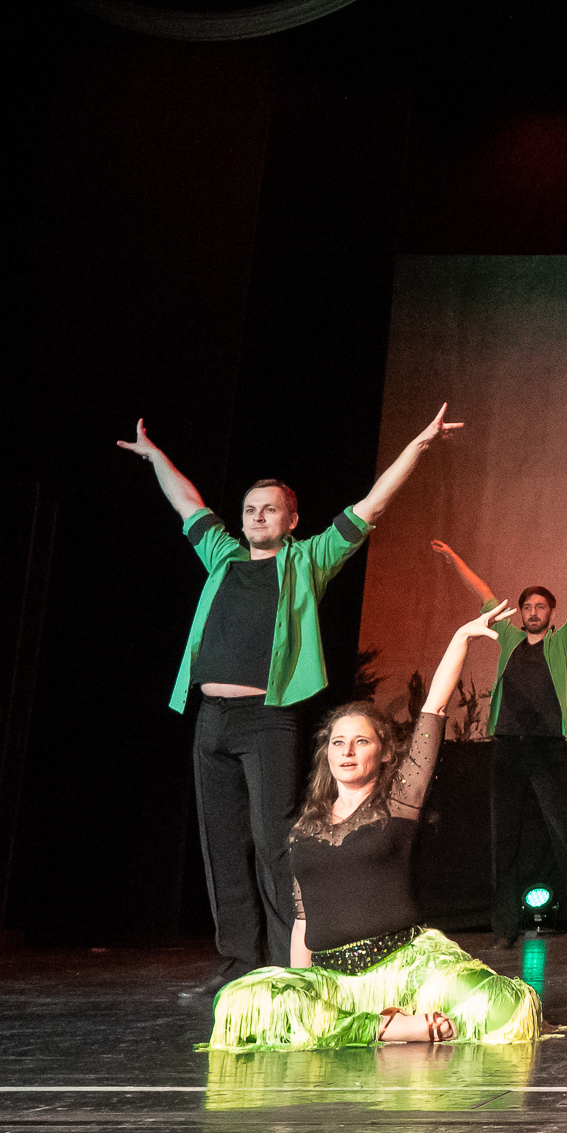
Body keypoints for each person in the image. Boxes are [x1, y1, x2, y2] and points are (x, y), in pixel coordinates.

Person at [119, 407, 461, 997]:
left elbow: (372, 505)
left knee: (276, 842)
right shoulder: (221, 554)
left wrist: (420, 444)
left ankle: (286, 967)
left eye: (270, 509)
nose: (257, 516)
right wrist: (155, 457)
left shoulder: (309, 559)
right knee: (222, 846)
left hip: (267, 720)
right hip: (211, 720)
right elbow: (187, 502)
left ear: (291, 519)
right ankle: (237, 964)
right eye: (250, 509)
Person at [206, 607, 544, 1051]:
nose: (347, 751)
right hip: (333, 979)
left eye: (361, 741)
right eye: (338, 742)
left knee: (509, 1007)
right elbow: (304, 919)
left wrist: (460, 639)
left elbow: (434, 709)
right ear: (327, 754)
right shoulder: (304, 828)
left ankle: (367, 1026)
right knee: (237, 1002)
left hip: (408, 966)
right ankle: (385, 1028)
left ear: (384, 754)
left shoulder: (399, 802)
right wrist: (302, 989)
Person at [429, 520, 567, 953]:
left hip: (548, 749)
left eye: (540, 607)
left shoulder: (564, 642)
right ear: (520, 613)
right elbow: (483, 593)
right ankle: (504, 929)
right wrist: (454, 558)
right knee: (504, 840)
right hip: (508, 748)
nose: (533, 612)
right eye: (527, 607)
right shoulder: (509, 638)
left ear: (551, 613)